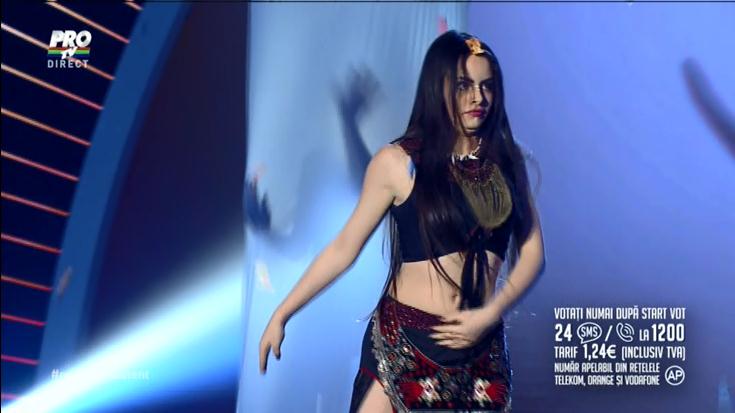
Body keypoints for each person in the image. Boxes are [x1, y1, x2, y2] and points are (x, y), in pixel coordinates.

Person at [259, 30, 545, 413]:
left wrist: (491, 314)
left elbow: (533, 254)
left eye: (487, 85)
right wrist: (282, 313)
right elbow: (343, 248)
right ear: (438, 87)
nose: (478, 97)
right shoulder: (397, 162)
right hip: (403, 344)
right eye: (464, 85)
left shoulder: (508, 163)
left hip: (479, 351)